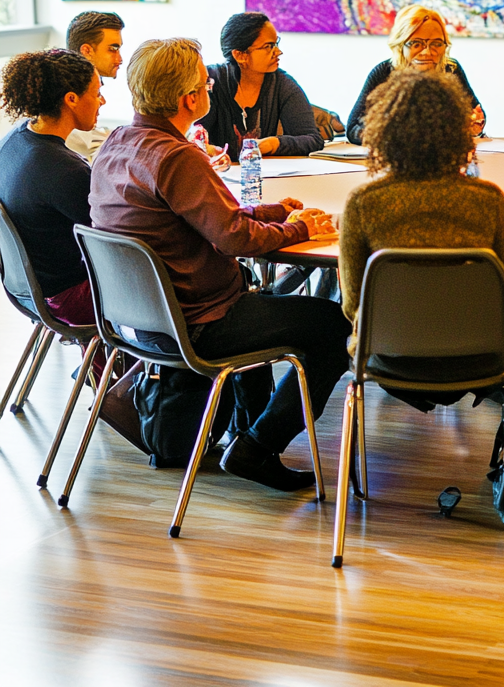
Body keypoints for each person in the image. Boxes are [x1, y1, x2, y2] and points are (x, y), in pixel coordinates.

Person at [90, 37, 349, 491]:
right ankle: (256, 446)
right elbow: (234, 240)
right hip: (200, 322)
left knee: (271, 305)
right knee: (335, 326)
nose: (211, 88)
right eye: (207, 83)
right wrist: (302, 228)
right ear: (191, 99)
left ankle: (249, 428)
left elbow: (208, 218)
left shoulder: (120, 142)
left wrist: (272, 213)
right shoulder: (177, 157)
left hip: (140, 320)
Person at [340, 68, 504, 409]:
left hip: (390, 354)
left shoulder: (364, 203)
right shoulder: (489, 200)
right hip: (480, 354)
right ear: (458, 131)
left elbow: (351, 304)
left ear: (384, 132)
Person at [0, 49, 104, 325]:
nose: (102, 101)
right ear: (71, 99)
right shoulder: (64, 170)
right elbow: (115, 233)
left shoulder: (14, 141)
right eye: (96, 93)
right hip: (68, 297)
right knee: (172, 290)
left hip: (28, 289)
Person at [345, 5, 485, 145]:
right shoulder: (384, 73)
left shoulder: (451, 70)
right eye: (416, 43)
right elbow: (353, 129)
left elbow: (476, 115)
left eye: (436, 43)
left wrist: (474, 124)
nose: (427, 52)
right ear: (400, 44)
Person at [199, 11, 324, 162]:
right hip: (215, 176)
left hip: (259, 177)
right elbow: (191, 138)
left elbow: (312, 139)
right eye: (268, 46)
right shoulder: (210, 82)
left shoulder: (282, 85)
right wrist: (208, 149)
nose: (278, 52)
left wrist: (273, 143)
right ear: (240, 55)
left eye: (276, 43)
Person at [64, 10, 124, 161]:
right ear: (86, 51)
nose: (120, 59)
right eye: (113, 49)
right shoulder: (66, 94)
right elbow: (93, 144)